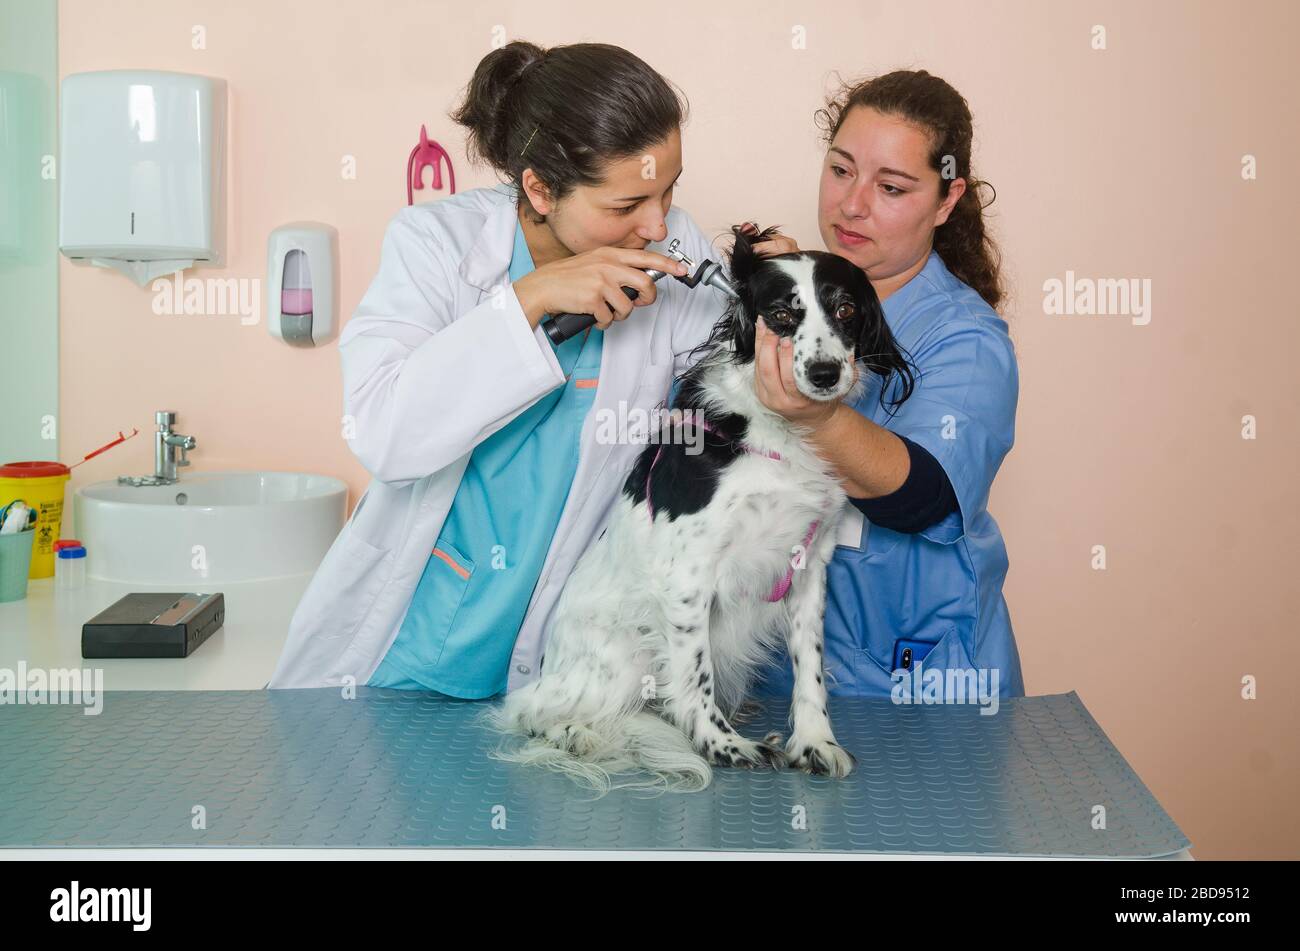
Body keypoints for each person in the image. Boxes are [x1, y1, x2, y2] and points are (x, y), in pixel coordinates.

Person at [268, 41, 731, 694]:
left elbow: (739, 390)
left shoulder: (674, 242)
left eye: (668, 190)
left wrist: (780, 296)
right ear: (539, 188)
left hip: (556, 658)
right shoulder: (435, 245)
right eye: (627, 206)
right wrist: (531, 299)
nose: (657, 224)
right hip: (407, 649)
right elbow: (385, 432)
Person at [750, 69, 1026, 700]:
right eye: (841, 169)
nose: (852, 204)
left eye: (892, 187)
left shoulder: (967, 341)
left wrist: (811, 416)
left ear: (947, 200)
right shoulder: (791, 298)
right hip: (777, 671)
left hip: (914, 683)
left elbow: (923, 496)